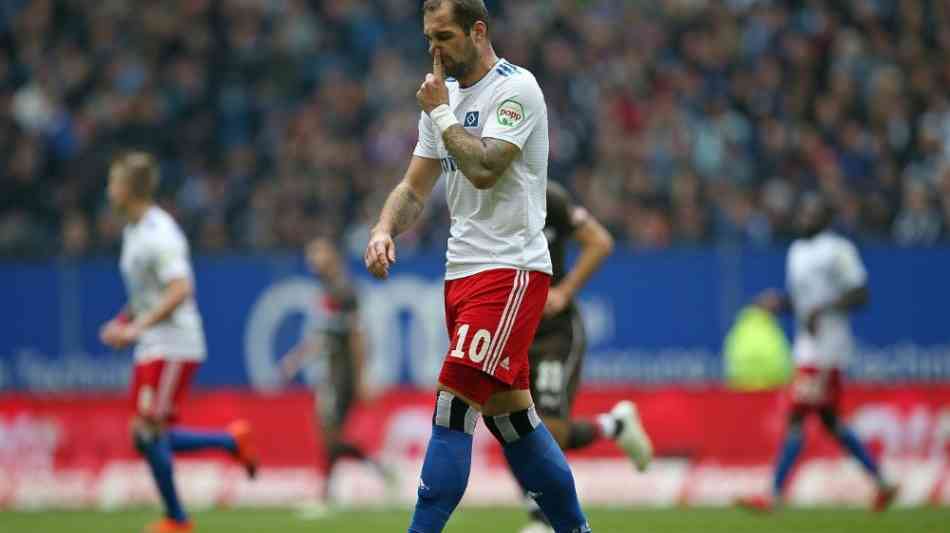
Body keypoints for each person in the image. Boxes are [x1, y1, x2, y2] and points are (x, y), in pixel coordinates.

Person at [364, 1, 591, 531]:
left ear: (478, 31)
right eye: (429, 38)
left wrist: (442, 114)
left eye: (444, 36)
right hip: (462, 274)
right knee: (513, 423)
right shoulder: (441, 101)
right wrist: (383, 228)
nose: (435, 49)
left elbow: (486, 167)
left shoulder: (517, 89)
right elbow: (414, 188)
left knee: (453, 409)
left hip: (509, 270)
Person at [99, 152, 258, 533]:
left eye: (113, 183)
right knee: (144, 434)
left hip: (173, 343)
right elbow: (146, 294)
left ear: (129, 188)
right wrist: (123, 321)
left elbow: (181, 288)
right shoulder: (134, 231)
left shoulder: (160, 232)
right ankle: (230, 443)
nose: (108, 190)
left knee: (148, 432)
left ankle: (178, 519)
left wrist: (136, 328)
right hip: (151, 342)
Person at [737, 193, 897, 513]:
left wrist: (822, 309)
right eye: (802, 211)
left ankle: (774, 495)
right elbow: (802, 301)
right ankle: (882, 483)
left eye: (811, 212)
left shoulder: (838, 249)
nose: (804, 217)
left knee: (797, 415)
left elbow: (860, 293)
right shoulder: (796, 251)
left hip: (828, 348)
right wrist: (779, 302)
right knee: (830, 421)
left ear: (826, 218)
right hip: (806, 347)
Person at [518, 182, 653, 533]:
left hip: (554, 332)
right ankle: (615, 425)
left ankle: (540, 520)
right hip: (512, 330)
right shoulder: (483, 195)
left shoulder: (548, 197)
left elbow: (600, 241)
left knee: (550, 429)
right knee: (510, 423)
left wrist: (564, 291)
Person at [280, 237, 392, 515]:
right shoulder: (329, 289)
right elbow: (324, 335)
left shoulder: (344, 290)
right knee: (329, 434)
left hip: (343, 374)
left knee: (329, 434)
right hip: (332, 372)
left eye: (316, 254)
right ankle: (369, 470)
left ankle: (333, 490)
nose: (311, 260)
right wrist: (296, 359)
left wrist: (362, 377)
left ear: (331, 256)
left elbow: (357, 335)